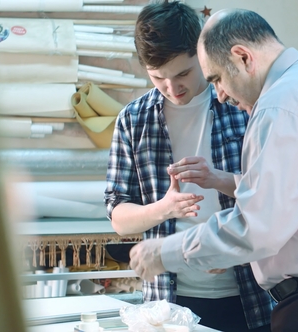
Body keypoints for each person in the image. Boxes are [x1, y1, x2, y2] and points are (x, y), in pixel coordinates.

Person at [129, 8, 298, 332]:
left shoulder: (280, 106)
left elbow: (259, 225)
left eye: (217, 78)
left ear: (243, 57)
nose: (220, 94)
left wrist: (166, 252)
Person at [104, 3, 274, 331]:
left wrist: (221, 181)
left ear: (201, 53)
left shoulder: (243, 107)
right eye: (158, 78)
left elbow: (272, 197)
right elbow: (119, 220)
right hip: (168, 303)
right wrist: (164, 208)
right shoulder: (133, 120)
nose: (173, 88)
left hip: (250, 293)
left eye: (183, 73)